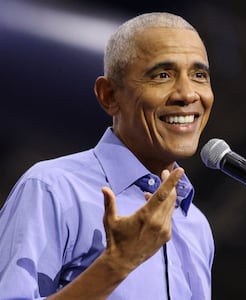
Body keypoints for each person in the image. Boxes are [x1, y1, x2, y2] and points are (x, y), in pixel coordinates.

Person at [0, 12, 214, 299]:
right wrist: (116, 264)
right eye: (162, 75)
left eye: (199, 75)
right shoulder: (53, 188)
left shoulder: (196, 224)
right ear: (109, 95)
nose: (188, 93)